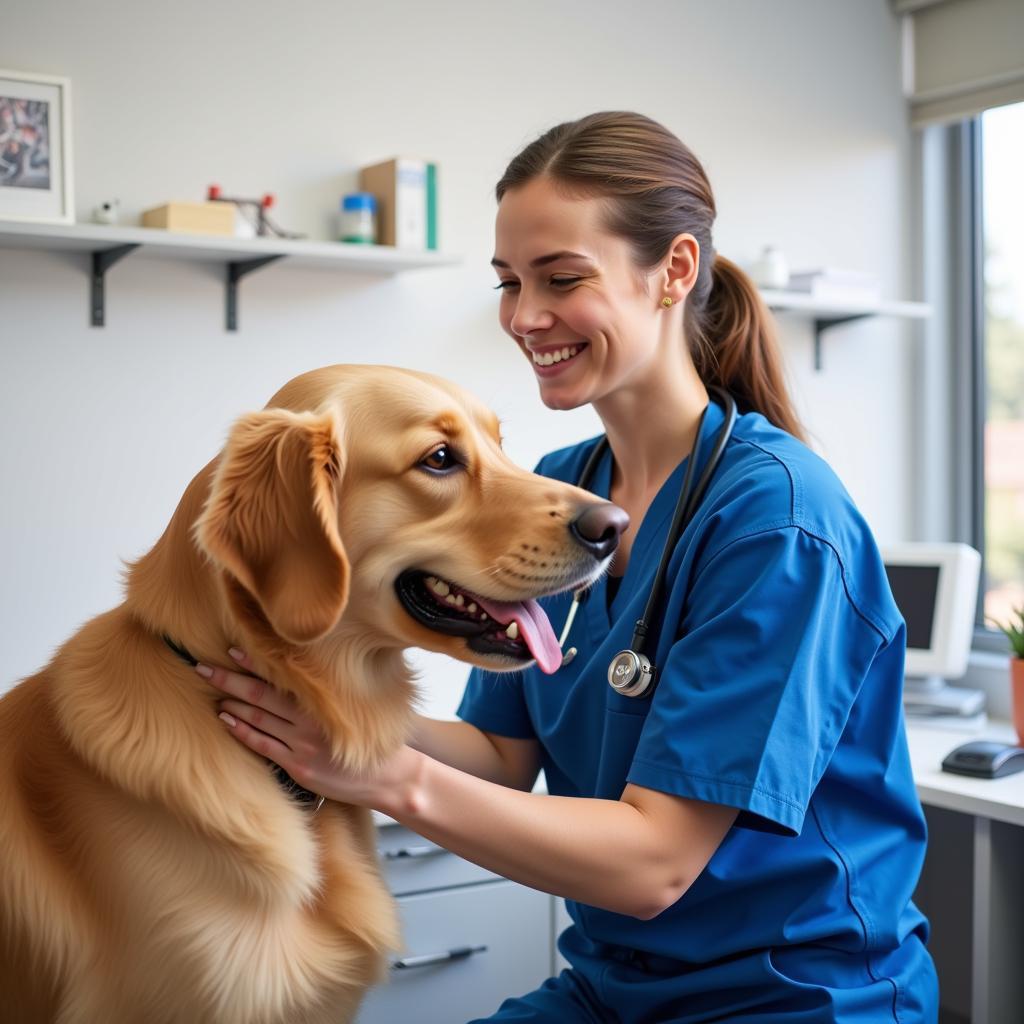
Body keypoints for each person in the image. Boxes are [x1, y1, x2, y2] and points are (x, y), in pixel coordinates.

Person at [201, 111, 939, 1022]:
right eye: (511, 282)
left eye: (561, 280)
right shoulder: (563, 490)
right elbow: (505, 757)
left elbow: (653, 864)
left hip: (789, 999)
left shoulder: (777, 521)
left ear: (673, 271)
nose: (524, 317)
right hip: (613, 990)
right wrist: (308, 711)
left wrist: (380, 776)